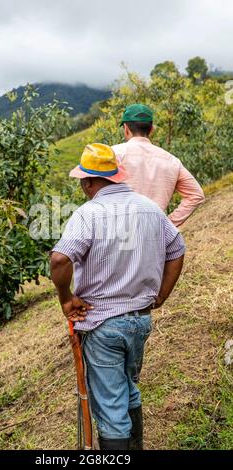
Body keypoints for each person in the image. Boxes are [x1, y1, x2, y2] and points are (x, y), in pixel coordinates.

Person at [50, 143, 185, 450]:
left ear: (87, 182)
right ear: (116, 176)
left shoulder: (88, 214)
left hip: (103, 326)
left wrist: (65, 298)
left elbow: (59, 260)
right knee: (128, 388)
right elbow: (177, 250)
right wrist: (161, 294)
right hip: (140, 321)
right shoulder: (150, 208)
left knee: (111, 409)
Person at [112, 104, 205, 227]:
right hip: (155, 236)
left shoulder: (113, 154)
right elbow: (196, 195)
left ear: (126, 128)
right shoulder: (171, 160)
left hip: (119, 233)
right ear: (151, 130)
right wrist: (168, 224)